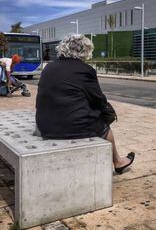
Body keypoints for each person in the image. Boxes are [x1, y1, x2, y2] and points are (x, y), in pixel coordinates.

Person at [36, 34, 134, 174]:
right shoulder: (85, 70)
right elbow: (98, 99)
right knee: (103, 126)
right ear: (85, 51)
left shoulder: (48, 68)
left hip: (44, 125)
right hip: (72, 127)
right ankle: (118, 162)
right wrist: (107, 114)